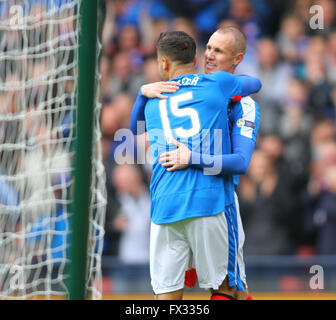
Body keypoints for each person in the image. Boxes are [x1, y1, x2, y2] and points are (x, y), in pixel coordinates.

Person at [130, 30, 260, 300]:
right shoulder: (215, 86)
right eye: (209, 48)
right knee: (227, 288)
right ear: (198, 54)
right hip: (208, 199)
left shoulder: (156, 99)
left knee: (223, 290)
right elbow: (255, 81)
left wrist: (142, 93)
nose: (211, 55)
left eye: (219, 51)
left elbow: (241, 162)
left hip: (170, 203)